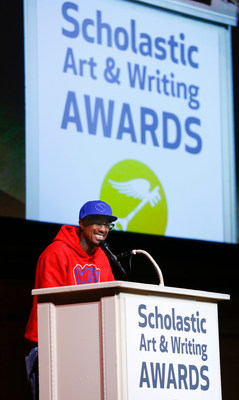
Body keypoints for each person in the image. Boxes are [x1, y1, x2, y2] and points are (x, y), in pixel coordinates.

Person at [24, 200, 117, 399]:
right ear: (81, 224)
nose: (103, 229)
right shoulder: (56, 253)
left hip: (87, 346)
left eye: (107, 224)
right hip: (49, 347)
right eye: (96, 222)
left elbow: (111, 300)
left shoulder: (102, 258)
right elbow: (49, 306)